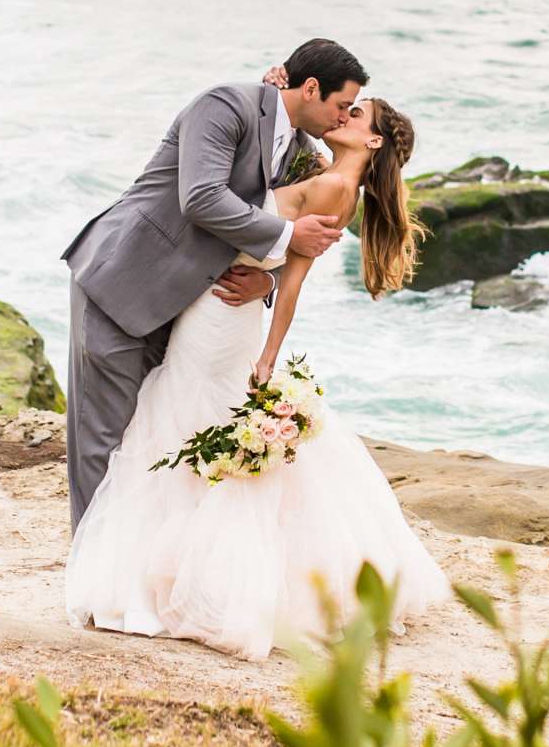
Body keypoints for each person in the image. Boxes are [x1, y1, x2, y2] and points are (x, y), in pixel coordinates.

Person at [65, 94, 451, 660]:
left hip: (225, 318)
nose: (344, 117)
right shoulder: (328, 176)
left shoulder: (334, 188)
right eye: (345, 105)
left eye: (357, 114)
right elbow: (278, 152)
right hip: (222, 307)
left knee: (185, 418)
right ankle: (160, 564)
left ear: (372, 142)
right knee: (186, 420)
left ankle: (179, 575)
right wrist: (280, 92)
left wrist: (270, 353)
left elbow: (289, 274)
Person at [62, 39, 367, 532]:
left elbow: (268, 236)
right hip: (126, 282)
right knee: (104, 442)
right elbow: (201, 198)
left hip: (188, 307)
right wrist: (290, 235)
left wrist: (266, 277)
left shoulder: (301, 149)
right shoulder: (225, 105)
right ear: (311, 88)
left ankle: (134, 573)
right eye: (339, 106)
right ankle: (94, 590)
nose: (341, 118)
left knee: (148, 441)